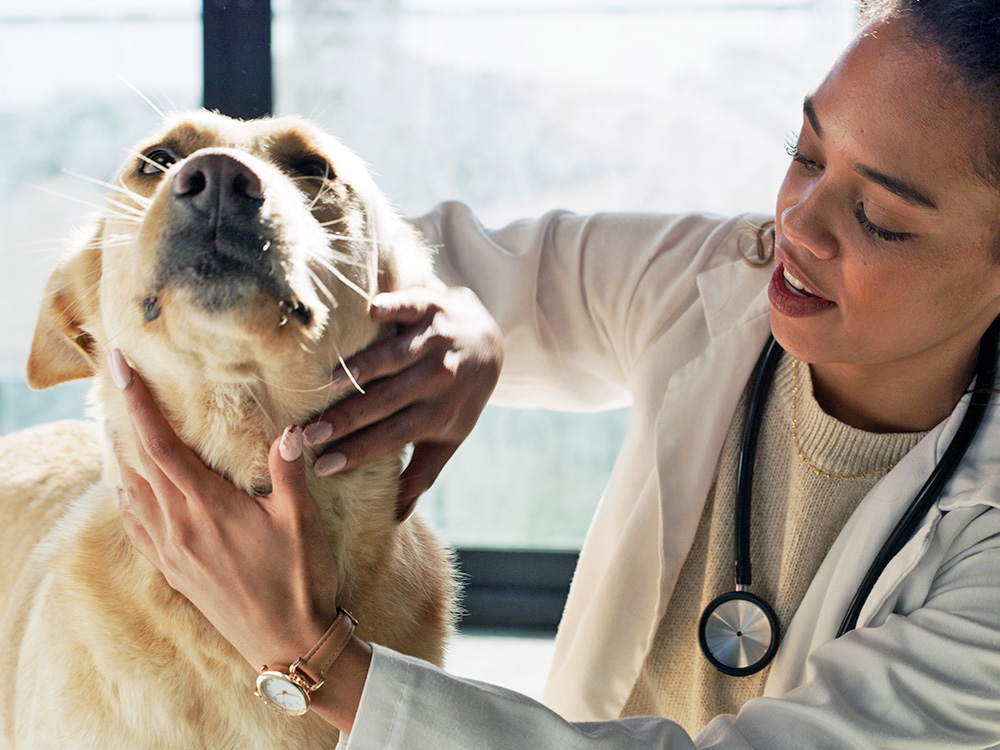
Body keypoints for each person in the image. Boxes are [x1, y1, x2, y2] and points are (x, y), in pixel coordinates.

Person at [109, 0, 1000, 746]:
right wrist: (470, 331)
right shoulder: (713, 278)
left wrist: (312, 657)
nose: (799, 225)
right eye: (805, 153)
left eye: (880, 217)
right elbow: (377, 259)